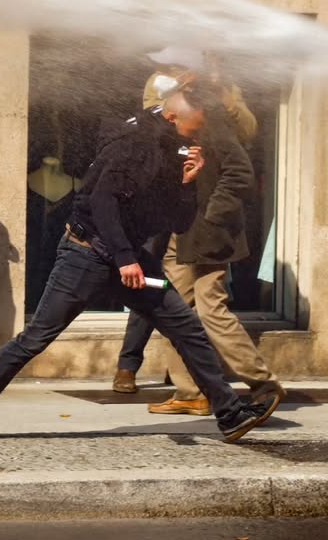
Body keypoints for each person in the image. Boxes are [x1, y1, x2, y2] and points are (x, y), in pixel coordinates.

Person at [0, 88, 279, 444]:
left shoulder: (171, 147)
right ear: (171, 119)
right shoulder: (135, 142)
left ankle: (229, 413)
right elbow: (103, 200)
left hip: (131, 259)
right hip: (86, 255)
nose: (196, 138)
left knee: (185, 326)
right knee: (35, 337)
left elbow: (178, 223)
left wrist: (187, 185)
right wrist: (125, 258)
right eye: (192, 131)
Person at [114, 95, 284, 412]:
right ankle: (190, 392)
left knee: (210, 310)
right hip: (183, 235)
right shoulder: (175, 132)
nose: (167, 119)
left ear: (189, 113)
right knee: (171, 308)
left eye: (171, 115)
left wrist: (209, 215)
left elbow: (240, 174)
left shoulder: (215, 129)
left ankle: (264, 383)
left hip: (208, 235)